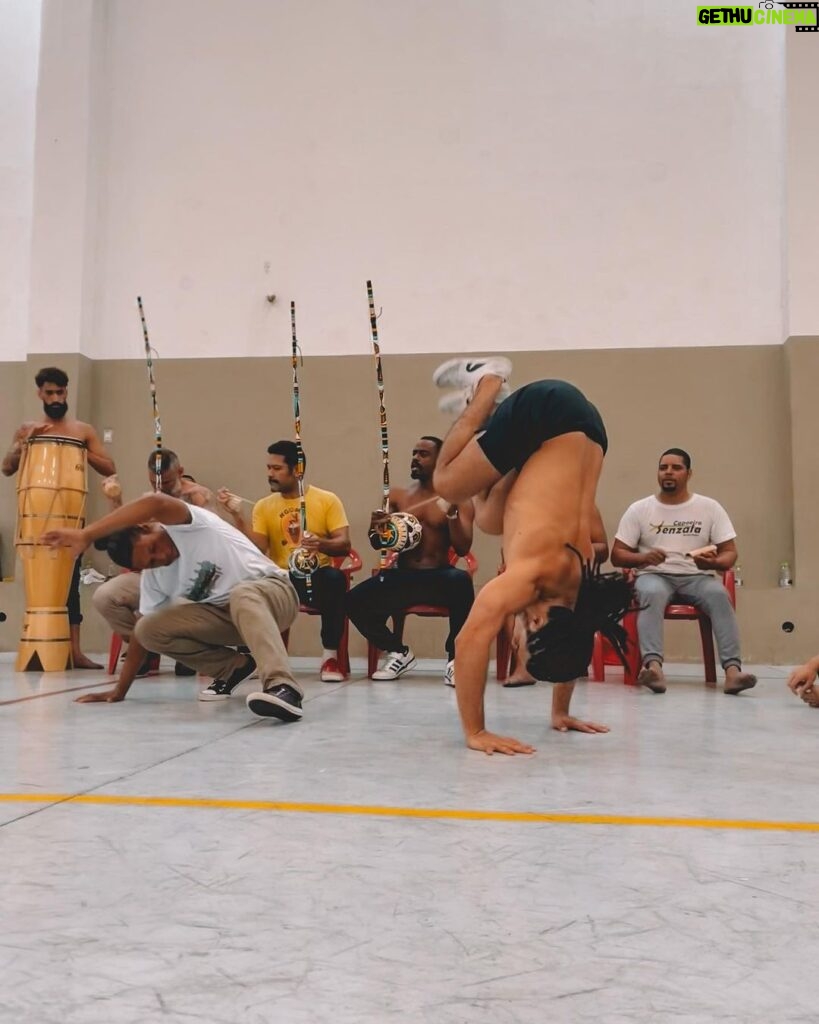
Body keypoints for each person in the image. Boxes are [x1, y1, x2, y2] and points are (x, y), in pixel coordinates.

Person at [429, 357, 630, 755]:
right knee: (448, 483)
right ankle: (488, 381)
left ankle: (490, 411)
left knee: (487, 519)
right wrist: (477, 731)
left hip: (587, 432)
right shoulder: (530, 578)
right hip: (549, 413)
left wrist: (561, 712)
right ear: (536, 620)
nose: (516, 634)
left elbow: (573, 642)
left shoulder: (578, 593)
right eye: (524, 639)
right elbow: (471, 640)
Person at [42, 493, 304, 723]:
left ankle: (283, 687)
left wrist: (87, 534)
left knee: (242, 594)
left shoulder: (190, 525)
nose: (162, 558)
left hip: (274, 595)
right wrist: (118, 691)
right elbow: (139, 640)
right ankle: (232, 667)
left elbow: (153, 502)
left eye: (154, 548)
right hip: (229, 618)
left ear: (147, 527)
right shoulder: (156, 578)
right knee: (147, 629)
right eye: (151, 563)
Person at [610, 448, 755, 696]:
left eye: (676, 468)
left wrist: (712, 563)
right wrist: (643, 558)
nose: (668, 472)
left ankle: (733, 673)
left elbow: (730, 553)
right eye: (663, 467)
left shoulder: (709, 507)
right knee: (650, 593)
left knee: (719, 595)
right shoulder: (640, 509)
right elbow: (617, 555)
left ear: (689, 473)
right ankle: (653, 668)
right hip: (654, 575)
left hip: (697, 577)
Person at [2, 366, 116, 669]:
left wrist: (80, 449)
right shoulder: (27, 428)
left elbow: (108, 466)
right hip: (35, 513)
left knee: (71, 583)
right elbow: (7, 467)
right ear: (40, 393)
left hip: (69, 510)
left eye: (60, 392)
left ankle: (75, 652)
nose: (55, 397)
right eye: (49, 392)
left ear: (66, 392)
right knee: (40, 580)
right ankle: (39, 641)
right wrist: (22, 443)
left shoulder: (83, 430)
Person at [218, 440, 351, 683]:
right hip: (280, 579)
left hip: (316, 576)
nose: (270, 474)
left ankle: (330, 657)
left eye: (277, 469)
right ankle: (256, 658)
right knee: (243, 585)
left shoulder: (327, 500)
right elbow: (256, 549)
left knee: (334, 579)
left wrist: (320, 543)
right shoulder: (263, 505)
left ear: (297, 470)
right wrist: (237, 515)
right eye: (269, 468)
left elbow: (344, 544)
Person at [346, 436, 475, 686]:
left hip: (439, 577)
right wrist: (377, 528)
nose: (415, 458)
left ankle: (455, 660)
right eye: (414, 452)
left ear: (441, 461)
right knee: (352, 600)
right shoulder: (398, 496)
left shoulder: (458, 498)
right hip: (403, 576)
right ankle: (397, 652)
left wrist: (452, 515)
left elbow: (463, 547)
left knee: (461, 582)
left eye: (423, 454)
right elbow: (379, 542)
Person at [94, 448, 215, 683]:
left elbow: (210, 539)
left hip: (190, 579)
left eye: (167, 482)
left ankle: (186, 649)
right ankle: (145, 648)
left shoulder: (199, 496)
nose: (160, 488)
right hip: (153, 578)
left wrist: (201, 506)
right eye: (154, 483)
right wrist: (115, 501)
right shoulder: (148, 500)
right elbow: (124, 535)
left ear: (180, 472)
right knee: (105, 596)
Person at [502, 506, 609, 687]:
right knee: (516, 602)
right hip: (535, 575)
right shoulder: (529, 504)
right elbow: (511, 547)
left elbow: (603, 550)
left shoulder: (585, 506)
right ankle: (523, 666)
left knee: (569, 606)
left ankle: (566, 670)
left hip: (572, 578)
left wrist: (573, 550)